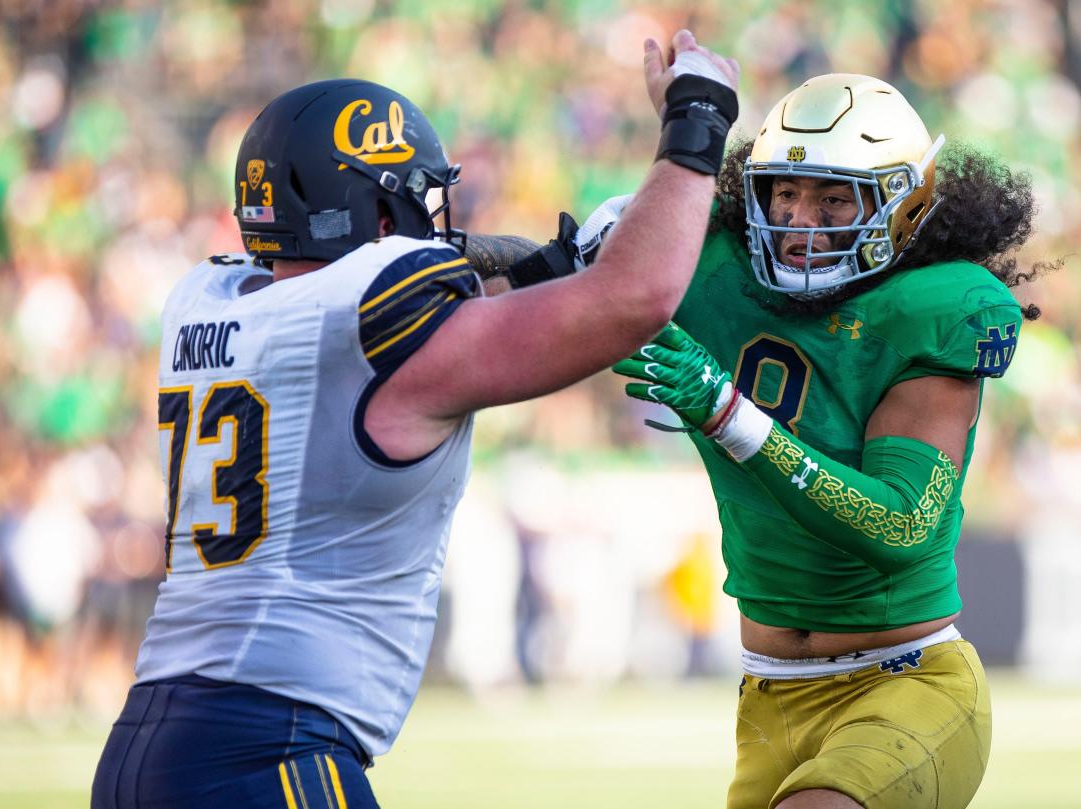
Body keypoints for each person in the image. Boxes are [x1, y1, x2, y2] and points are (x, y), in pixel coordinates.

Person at [90, 30, 739, 809]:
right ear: (378, 206)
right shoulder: (369, 324)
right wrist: (696, 120)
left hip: (148, 742)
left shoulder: (214, 299)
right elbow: (633, 299)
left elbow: (415, 309)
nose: (436, 222)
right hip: (270, 749)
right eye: (419, 199)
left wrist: (545, 268)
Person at [525, 73, 1052, 809]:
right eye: (786, 192)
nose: (800, 220)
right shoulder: (710, 265)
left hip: (905, 684)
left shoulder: (934, 308)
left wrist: (726, 411)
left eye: (836, 198)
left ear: (903, 203)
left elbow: (901, 522)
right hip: (766, 698)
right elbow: (531, 295)